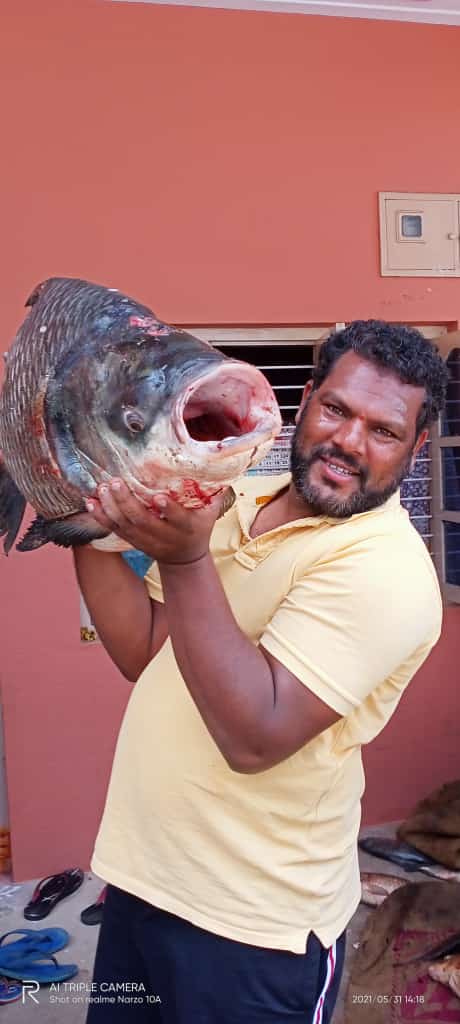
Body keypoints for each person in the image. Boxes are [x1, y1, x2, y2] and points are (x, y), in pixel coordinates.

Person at [74, 320, 448, 1024]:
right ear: (304, 401)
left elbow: (254, 736)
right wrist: (88, 524)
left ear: (415, 447)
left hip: (255, 930)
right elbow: (145, 650)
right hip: (141, 882)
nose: (348, 443)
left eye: (383, 431)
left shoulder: (385, 570)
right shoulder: (239, 497)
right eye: (337, 410)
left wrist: (185, 558)